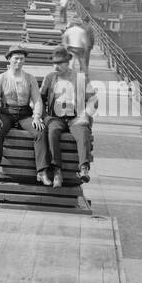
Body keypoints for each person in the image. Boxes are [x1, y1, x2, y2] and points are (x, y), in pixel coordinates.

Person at [0, 46, 44, 188]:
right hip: (7, 113)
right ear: (9, 59)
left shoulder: (30, 78)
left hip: (25, 114)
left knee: (40, 131)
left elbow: (37, 100)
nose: (19, 61)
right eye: (16, 58)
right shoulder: (1, 78)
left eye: (22, 58)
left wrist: (36, 117)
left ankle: (42, 170)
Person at [39, 46, 98, 187]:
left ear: (67, 62)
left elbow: (93, 99)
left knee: (83, 132)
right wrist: (44, 116)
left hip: (75, 117)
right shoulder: (50, 78)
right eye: (54, 63)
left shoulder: (80, 78)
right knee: (52, 132)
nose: (56, 66)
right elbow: (39, 98)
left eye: (59, 63)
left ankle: (83, 169)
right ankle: (57, 171)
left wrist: (85, 114)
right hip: (56, 118)